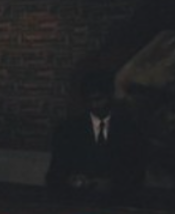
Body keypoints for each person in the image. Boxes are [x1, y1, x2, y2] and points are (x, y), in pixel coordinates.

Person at [46, 70, 147, 203]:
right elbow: (55, 173)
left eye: (99, 99)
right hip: (78, 203)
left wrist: (113, 184)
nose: (95, 105)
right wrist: (71, 180)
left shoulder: (129, 130)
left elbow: (137, 172)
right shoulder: (67, 130)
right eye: (90, 101)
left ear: (110, 97)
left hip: (119, 203)